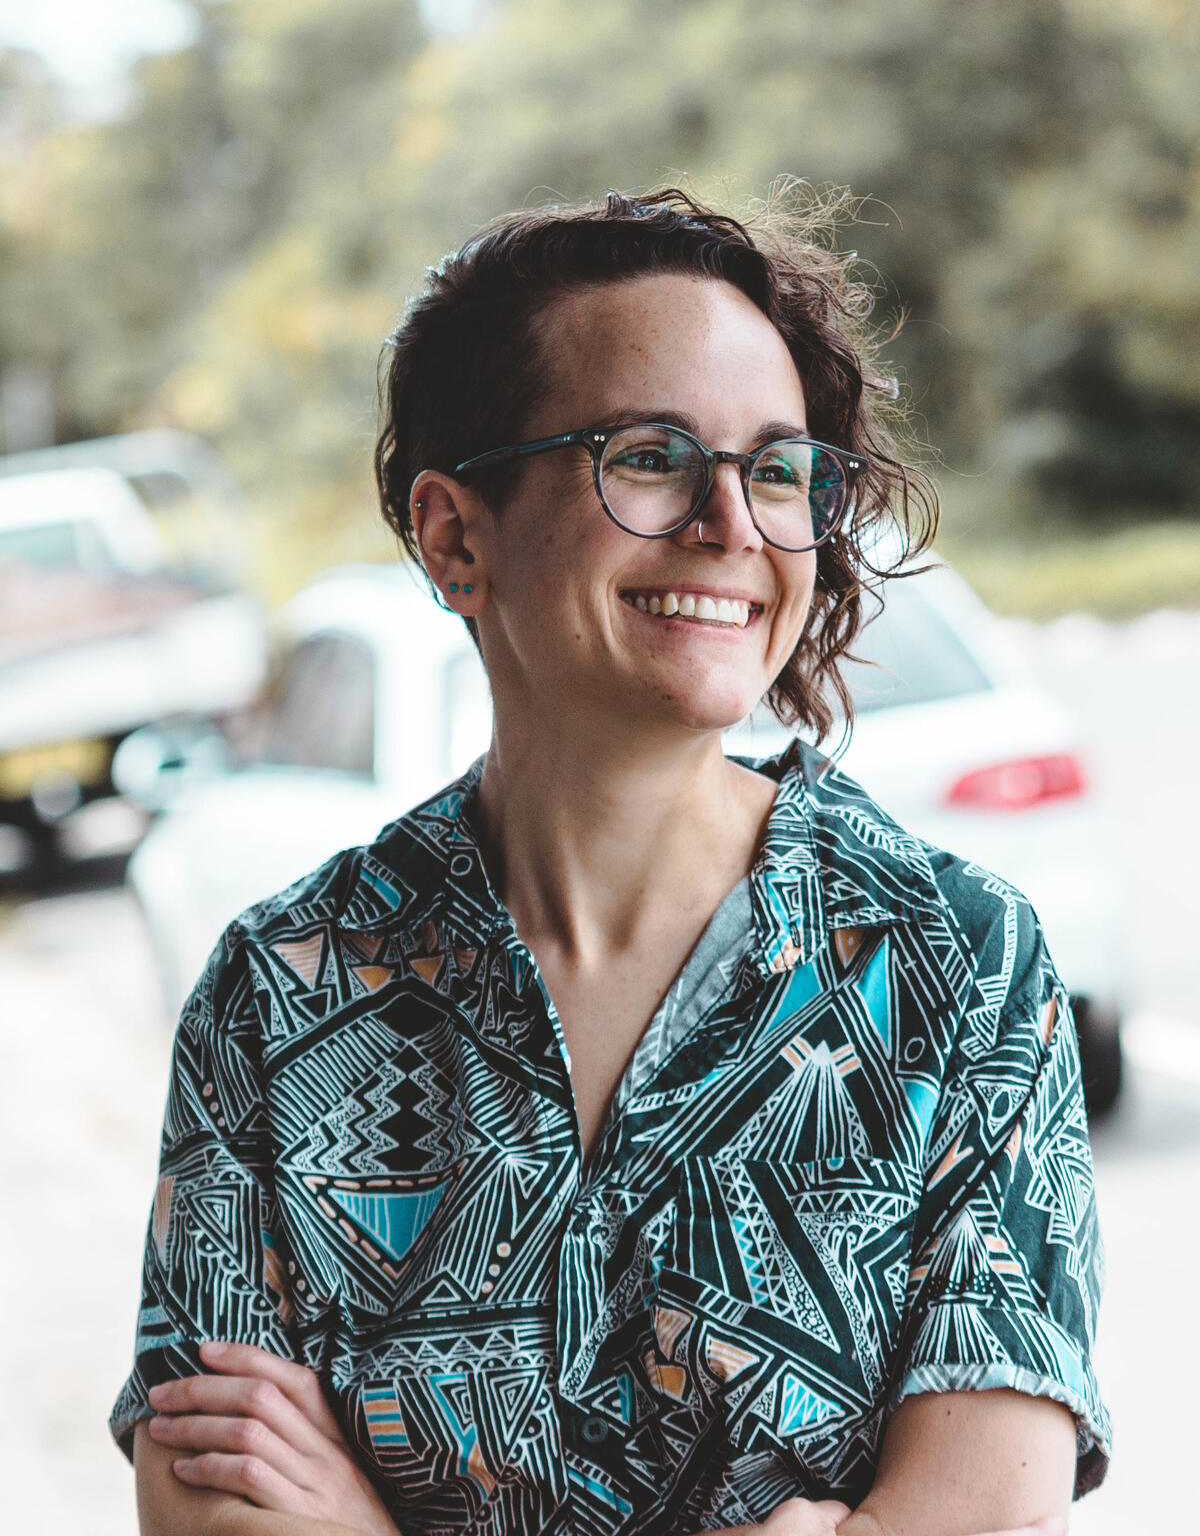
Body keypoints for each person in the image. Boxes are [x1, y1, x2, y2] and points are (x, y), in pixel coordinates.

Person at [113, 189, 1110, 1536]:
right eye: (650, 457)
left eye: (776, 468)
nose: (733, 523)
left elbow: (989, 1507)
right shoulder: (279, 993)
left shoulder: (957, 963)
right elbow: (208, 1499)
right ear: (454, 536)